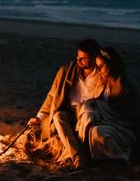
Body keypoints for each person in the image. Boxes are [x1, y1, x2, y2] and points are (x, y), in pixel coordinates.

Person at [26, 39, 106, 169]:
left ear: (94, 58)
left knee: (90, 120)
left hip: (90, 113)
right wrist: (39, 117)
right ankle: (77, 157)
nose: (78, 61)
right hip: (69, 112)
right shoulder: (66, 71)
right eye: (77, 57)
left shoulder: (103, 75)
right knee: (58, 116)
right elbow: (52, 96)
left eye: (83, 59)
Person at [76, 47, 140, 164]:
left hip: (122, 128)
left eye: (101, 66)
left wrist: (101, 108)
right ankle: (84, 150)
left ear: (111, 64)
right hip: (106, 122)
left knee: (98, 133)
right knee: (87, 112)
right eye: (97, 67)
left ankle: (119, 156)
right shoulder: (105, 82)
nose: (98, 70)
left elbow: (134, 116)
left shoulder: (125, 86)